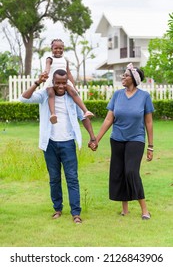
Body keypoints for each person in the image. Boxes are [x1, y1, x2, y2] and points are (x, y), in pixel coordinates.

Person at [19, 69, 96, 224]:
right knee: (54, 179)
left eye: (63, 82)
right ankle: (57, 209)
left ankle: (76, 213)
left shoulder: (72, 96)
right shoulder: (45, 95)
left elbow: (84, 117)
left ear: (67, 82)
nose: (61, 86)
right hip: (50, 143)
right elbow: (23, 99)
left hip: (68, 143)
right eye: (57, 83)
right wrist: (37, 83)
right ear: (53, 82)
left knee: (72, 178)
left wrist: (92, 137)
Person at [89, 63, 154, 220]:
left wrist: (150, 146)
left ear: (134, 79)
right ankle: (124, 209)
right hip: (117, 139)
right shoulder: (117, 95)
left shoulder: (144, 96)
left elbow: (149, 123)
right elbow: (109, 119)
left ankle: (145, 210)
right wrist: (96, 139)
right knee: (119, 172)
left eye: (125, 75)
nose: (122, 77)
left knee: (131, 171)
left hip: (136, 139)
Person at [44, 38, 94, 124]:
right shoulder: (50, 59)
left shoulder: (65, 60)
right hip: (52, 82)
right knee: (51, 93)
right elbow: (47, 68)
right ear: (51, 49)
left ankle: (86, 111)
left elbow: (69, 73)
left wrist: (74, 86)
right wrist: (45, 73)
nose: (58, 50)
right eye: (56, 48)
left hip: (64, 81)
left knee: (73, 92)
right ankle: (53, 114)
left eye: (60, 48)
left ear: (63, 49)